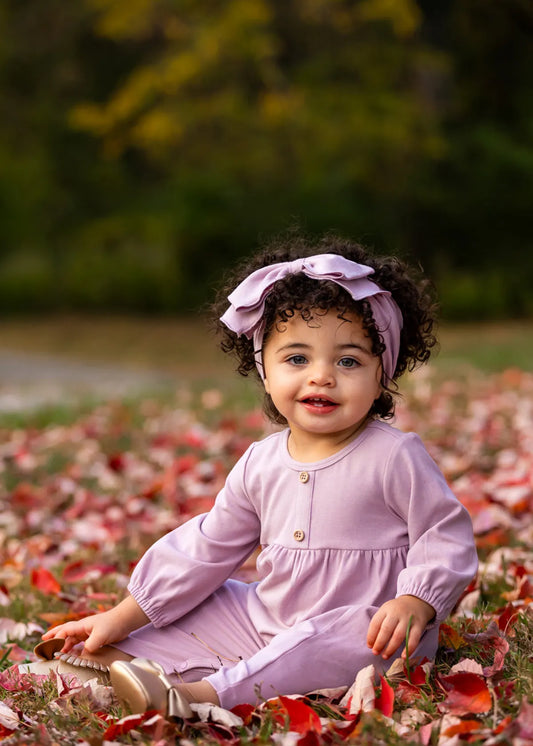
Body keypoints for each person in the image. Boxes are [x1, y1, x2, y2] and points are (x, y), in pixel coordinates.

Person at [40, 232, 478, 717]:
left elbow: (445, 533)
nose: (321, 376)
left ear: (382, 377)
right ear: (265, 371)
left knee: (334, 637)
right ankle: (116, 657)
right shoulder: (260, 463)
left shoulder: (393, 456)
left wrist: (418, 600)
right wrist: (122, 618)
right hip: (267, 622)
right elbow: (206, 550)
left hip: (374, 635)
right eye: (296, 358)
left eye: (348, 360)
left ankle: (200, 697)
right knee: (215, 598)